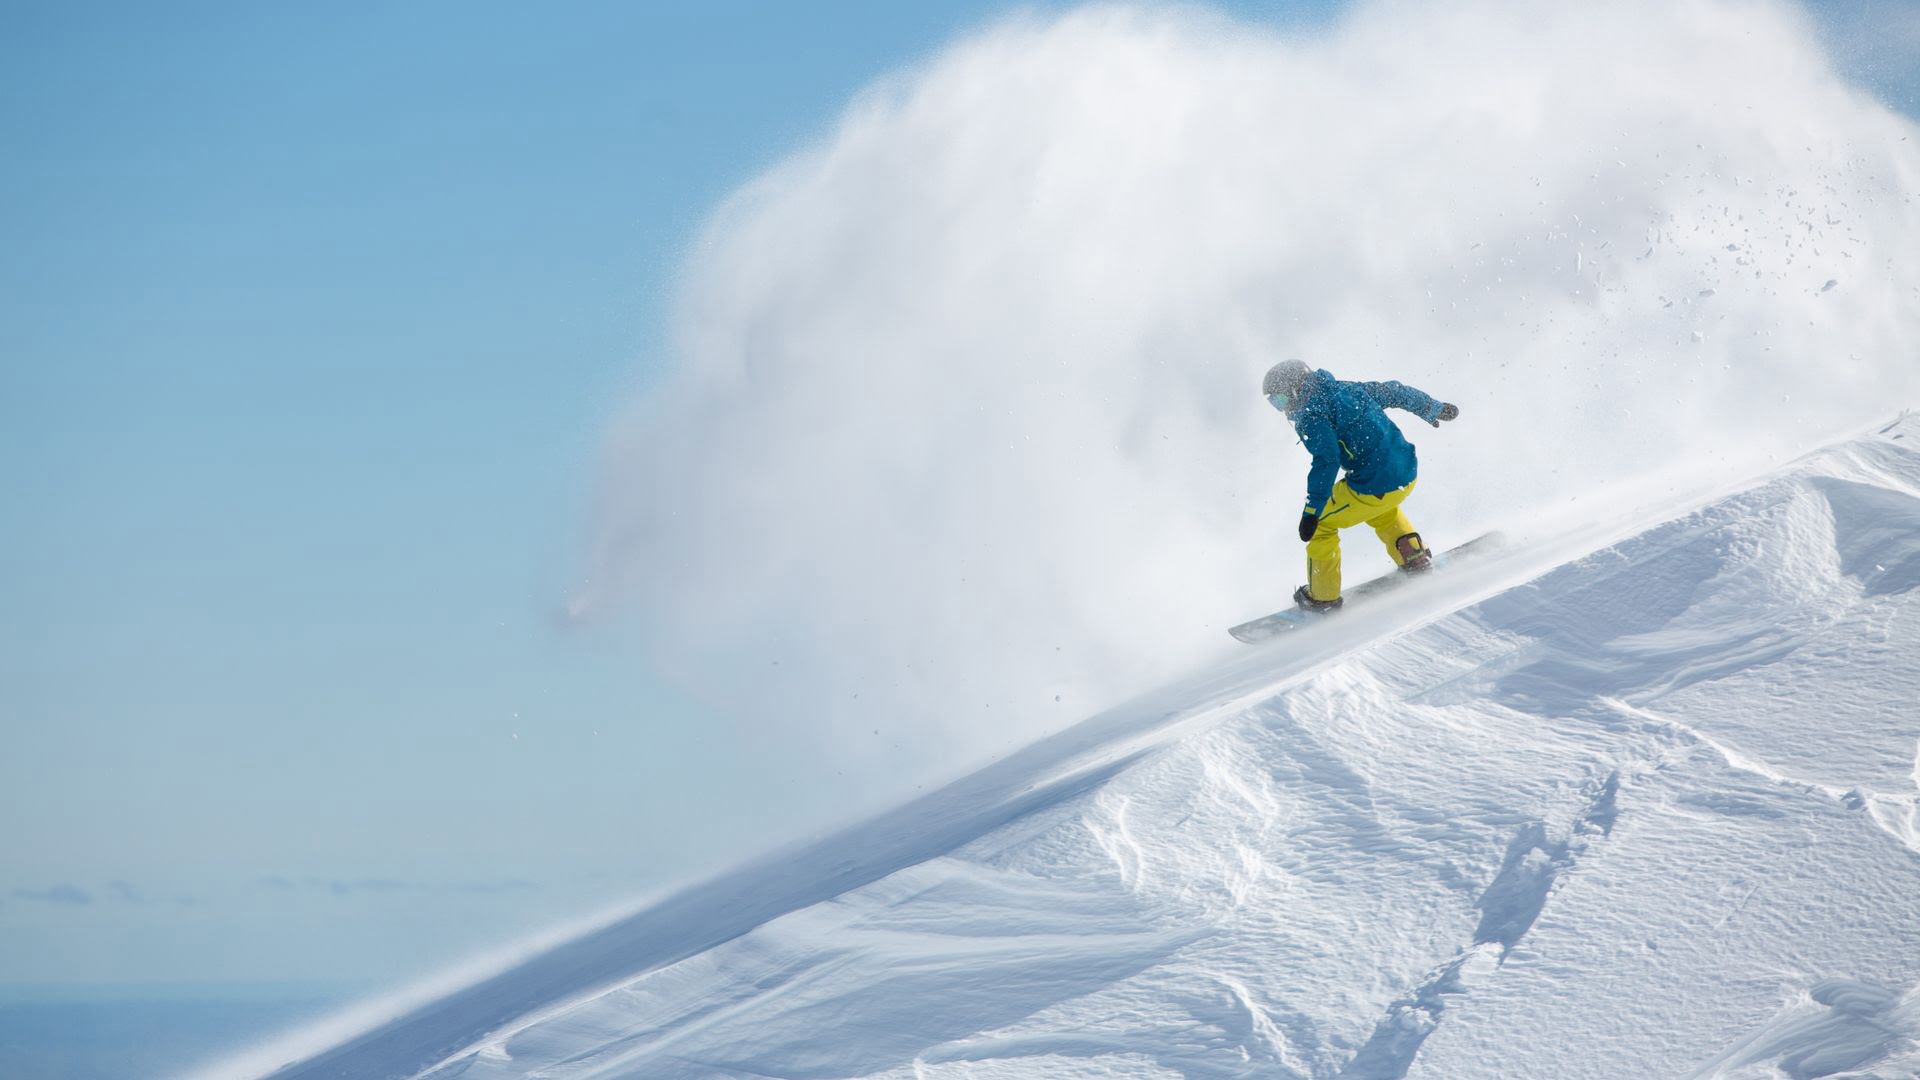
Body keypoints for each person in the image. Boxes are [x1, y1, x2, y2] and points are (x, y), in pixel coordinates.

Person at [1262, 359, 1458, 612]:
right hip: (1405, 473)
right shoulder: (1347, 389)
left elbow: (1327, 461)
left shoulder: (1311, 414)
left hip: (1374, 485)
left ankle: (1323, 598)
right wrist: (1431, 407)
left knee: (1321, 525)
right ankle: (1413, 557)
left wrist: (1312, 512)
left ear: (1294, 390)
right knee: (1382, 509)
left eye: (1279, 400)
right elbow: (1394, 392)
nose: (1282, 410)